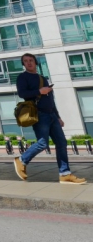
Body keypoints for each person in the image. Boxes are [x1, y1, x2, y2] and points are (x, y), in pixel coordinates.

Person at [14, 53, 86, 184]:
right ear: (23, 64)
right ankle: (21, 160)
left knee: (62, 143)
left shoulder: (42, 78)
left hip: (51, 114)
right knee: (42, 143)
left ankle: (65, 174)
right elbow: (22, 93)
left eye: (31, 60)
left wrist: (58, 116)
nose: (29, 63)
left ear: (35, 62)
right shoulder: (22, 77)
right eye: (25, 61)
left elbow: (50, 99)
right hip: (39, 114)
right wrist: (39, 91)